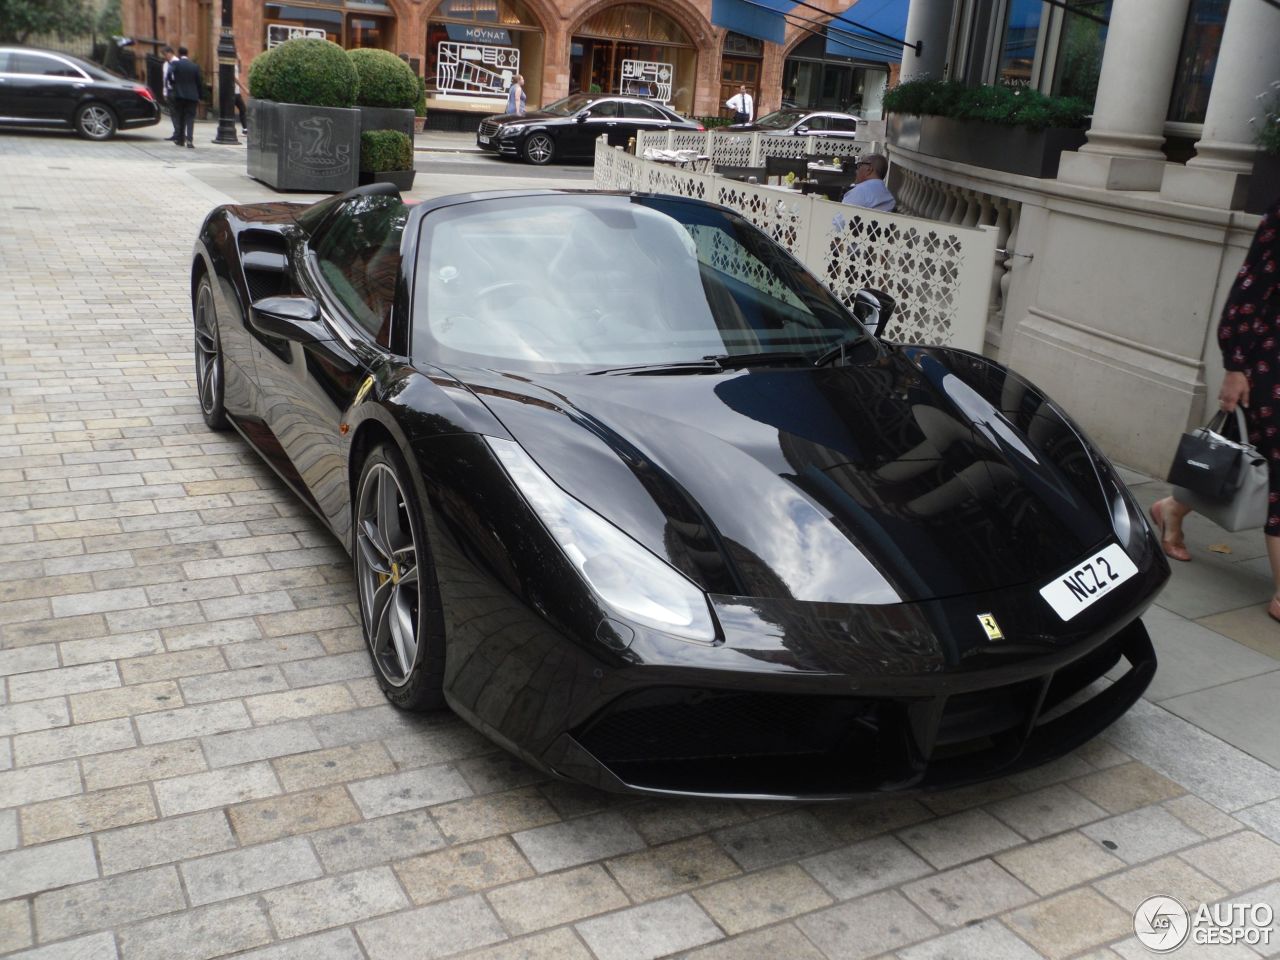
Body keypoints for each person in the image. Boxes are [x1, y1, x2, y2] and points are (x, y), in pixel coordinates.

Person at [1150, 196, 1280, 618]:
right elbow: (1248, 291)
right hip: (1271, 367)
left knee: (1245, 459)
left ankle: (1172, 509)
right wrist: (1236, 367)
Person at [168, 46, 202, 149]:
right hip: (192, 96)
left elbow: (169, 73)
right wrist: (199, 95)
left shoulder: (176, 64)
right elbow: (198, 82)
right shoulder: (194, 66)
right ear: (187, 54)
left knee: (180, 117)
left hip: (179, 94)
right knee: (190, 118)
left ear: (178, 54)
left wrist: (173, 83)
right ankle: (190, 141)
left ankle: (180, 140)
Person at [161, 46, 180, 142]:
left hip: (176, 90)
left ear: (171, 53)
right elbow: (164, 79)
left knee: (177, 112)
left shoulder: (177, 62)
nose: (165, 57)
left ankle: (178, 132)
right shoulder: (165, 64)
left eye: (165, 54)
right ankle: (176, 132)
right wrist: (164, 92)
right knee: (173, 113)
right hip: (169, 90)